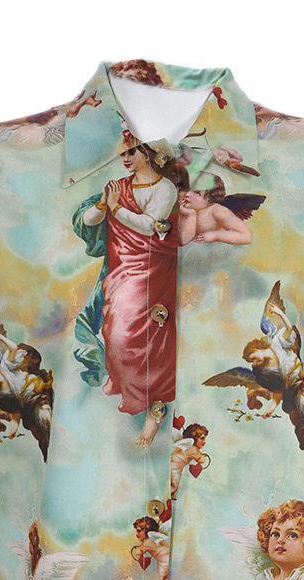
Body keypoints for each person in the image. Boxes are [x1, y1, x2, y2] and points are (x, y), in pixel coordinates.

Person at [75, 134, 179, 447]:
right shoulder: (118, 187)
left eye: (132, 152)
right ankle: (128, 385)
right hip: (120, 269)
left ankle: (153, 406)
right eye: (122, 154)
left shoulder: (165, 188)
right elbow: (88, 220)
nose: (125, 158)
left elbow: (149, 226)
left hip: (149, 271)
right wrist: (102, 205)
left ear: (148, 152)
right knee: (112, 330)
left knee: (140, 337)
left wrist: (116, 208)